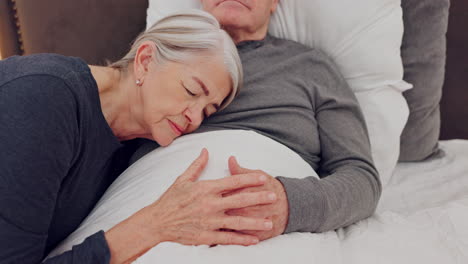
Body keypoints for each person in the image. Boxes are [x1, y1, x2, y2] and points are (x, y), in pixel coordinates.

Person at [0, 10, 276, 264]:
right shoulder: (43, 98)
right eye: (192, 91)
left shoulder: (131, 150)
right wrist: (155, 224)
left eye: (207, 110)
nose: (194, 117)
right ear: (145, 61)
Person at [134, 0, 382, 242]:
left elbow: (362, 180)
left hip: (268, 233)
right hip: (149, 207)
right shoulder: (157, 57)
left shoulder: (311, 66)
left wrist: (289, 204)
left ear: (274, 2)